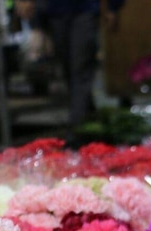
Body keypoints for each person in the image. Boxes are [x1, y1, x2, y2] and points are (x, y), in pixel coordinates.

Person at [34, 0, 125, 133]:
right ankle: (91, 122)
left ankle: (76, 128)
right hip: (55, 11)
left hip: (85, 10)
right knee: (69, 72)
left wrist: (113, 7)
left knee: (81, 69)